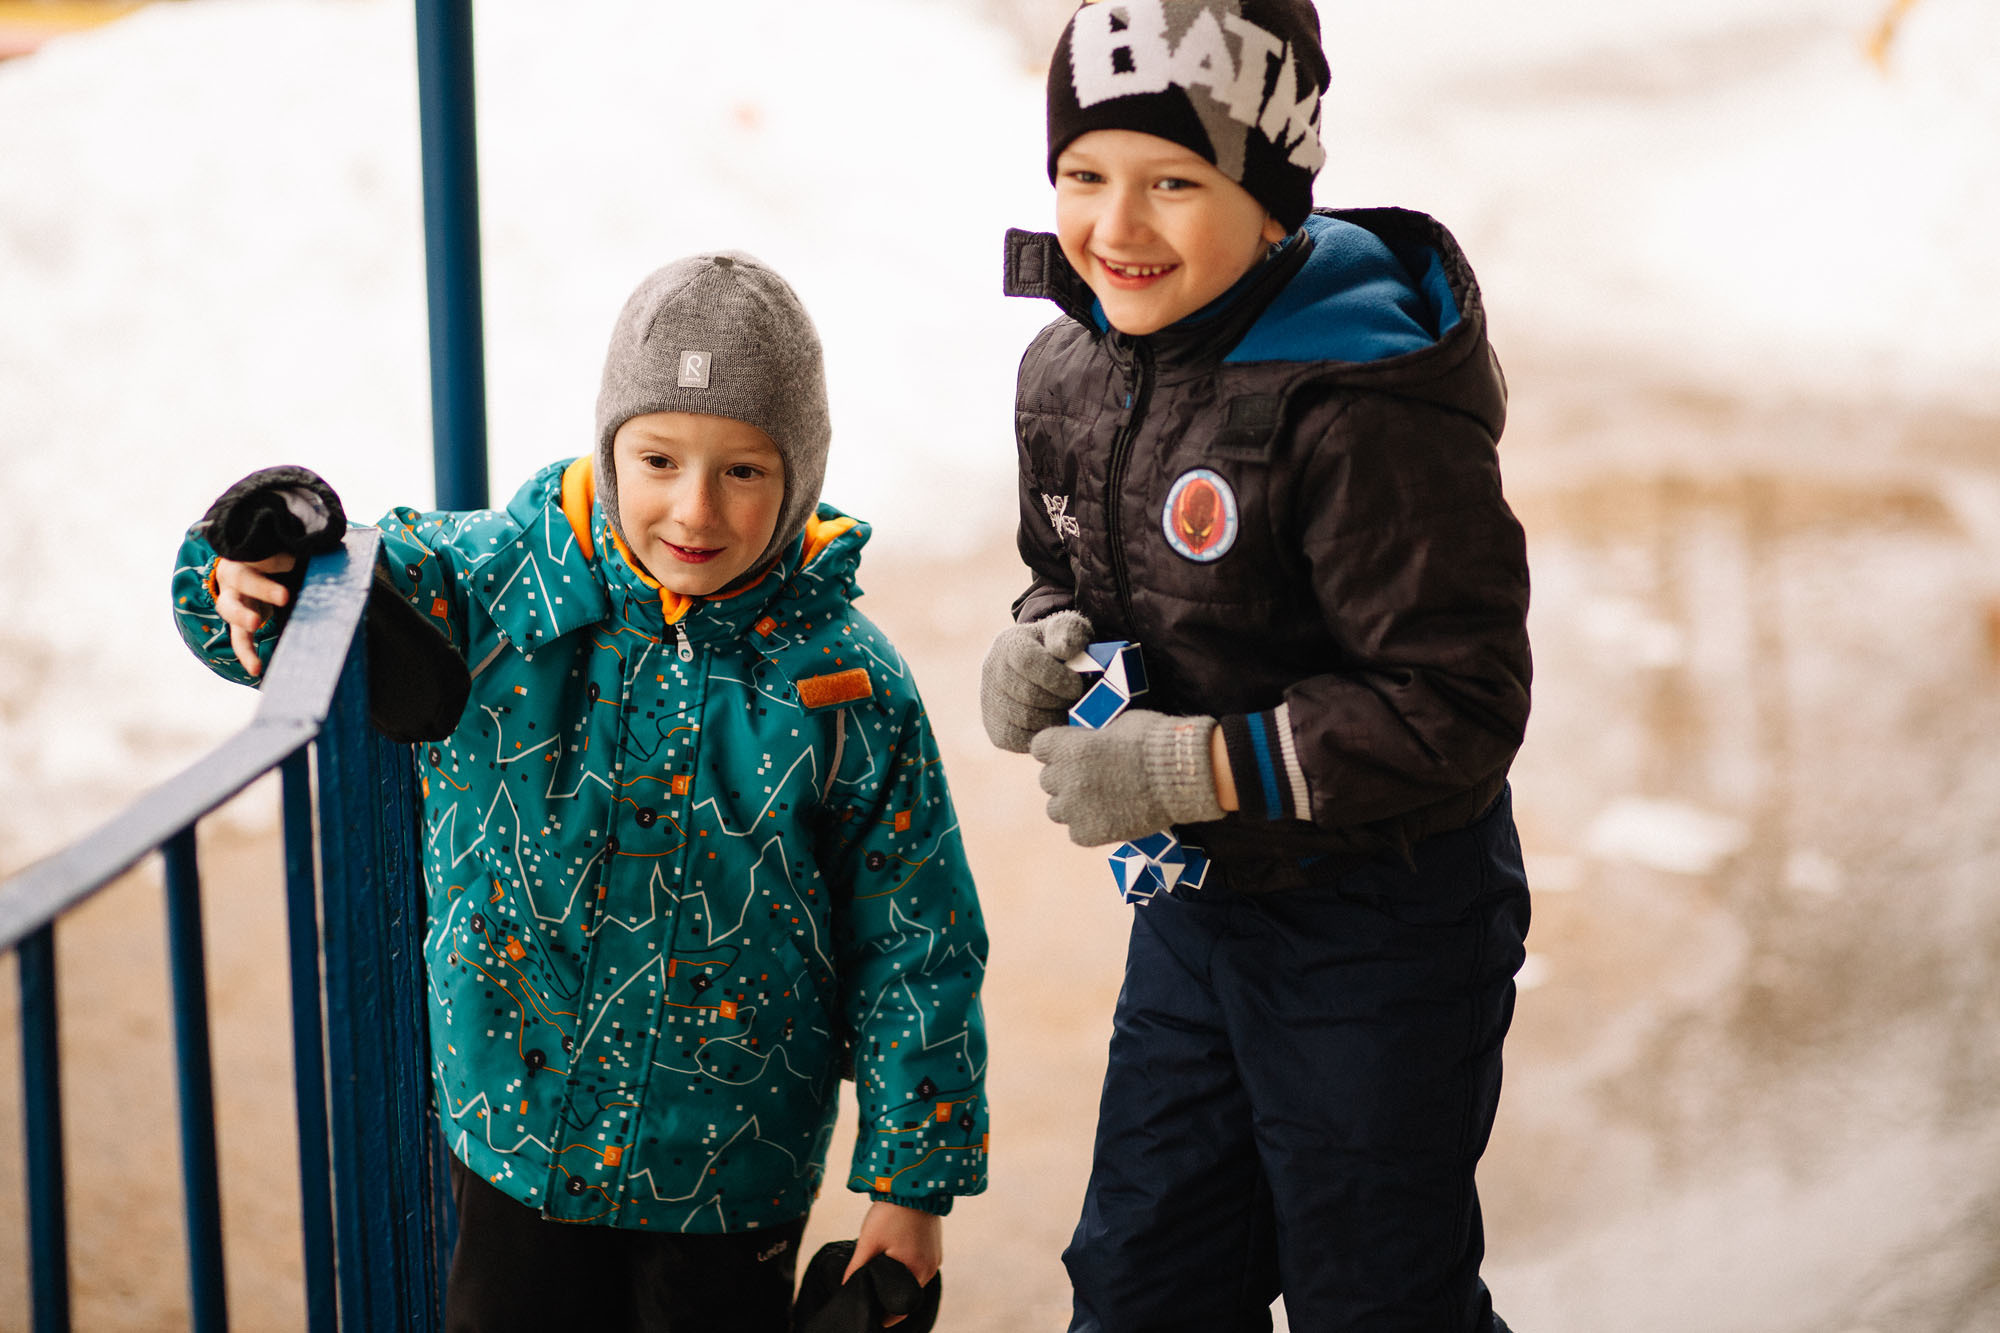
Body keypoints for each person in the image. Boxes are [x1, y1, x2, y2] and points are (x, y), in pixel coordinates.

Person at [173, 253, 989, 1333]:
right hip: (519, 1133)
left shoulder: (841, 680)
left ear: (798, 474)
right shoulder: (496, 582)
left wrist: (909, 1182)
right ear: (610, 447)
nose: (693, 508)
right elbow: (305, 600)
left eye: (742, 471)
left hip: (731, 1169)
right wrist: (238, 571)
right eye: (657, 458)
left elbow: (916, 935)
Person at [981, 2, 1532, 1329]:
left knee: (1375, 1293)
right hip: (1197, 913)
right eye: (1085, 176)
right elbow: (1073, 567)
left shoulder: (1363, 400)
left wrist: (1188, 762)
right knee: (1142, 1278)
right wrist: (1037, 640)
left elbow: (1454, 700)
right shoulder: (1070, 370)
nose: (1116, 226)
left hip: (1380, 929)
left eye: (1175, 182)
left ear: (1275, 197)